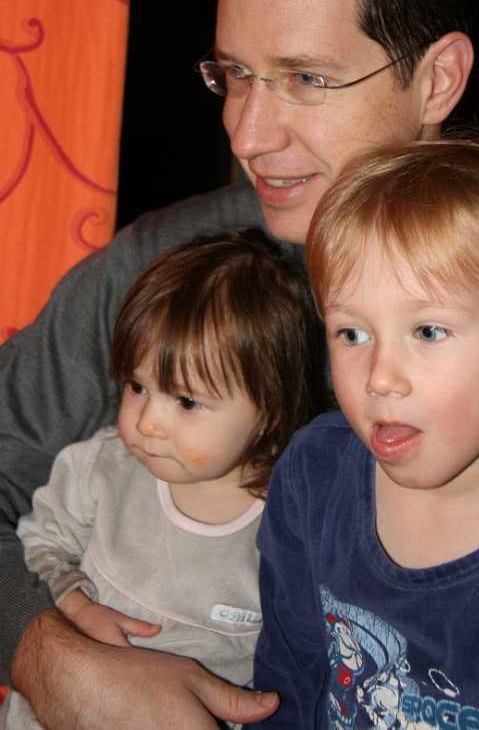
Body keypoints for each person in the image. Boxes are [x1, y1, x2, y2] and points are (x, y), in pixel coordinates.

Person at [1, 0, 479, 727]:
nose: (247, 134)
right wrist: (41, 652)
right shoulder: (166, 267)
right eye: (235, 74)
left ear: (438, 79)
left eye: (306, 78)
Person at [249, 140, 479, 727]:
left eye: (429, 332)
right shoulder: (313, 477)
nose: (380, 378)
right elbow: (286, 684)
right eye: (352, 334)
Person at [0, 228, 328, 729]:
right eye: (137, 386)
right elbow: (38, 544)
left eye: (187, 401)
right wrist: (73, 603)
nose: (147, 422)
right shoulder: (101, 468)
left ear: (270, 413)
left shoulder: (292, 522)